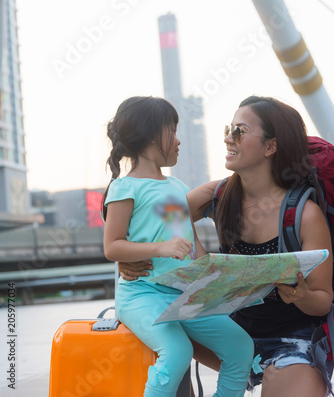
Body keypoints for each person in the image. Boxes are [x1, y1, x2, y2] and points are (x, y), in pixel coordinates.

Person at [119, 95, 333, 397]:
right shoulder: (218, 195)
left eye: (239, 132)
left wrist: (301, 294)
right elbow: (152, 222)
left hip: (292, 339)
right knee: (164, 330)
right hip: (235, 329)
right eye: (228, 129)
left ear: (270, 147)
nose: (227, 139)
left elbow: (323, 300)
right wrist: (129, 258)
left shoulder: (304, 215)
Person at [102, 96, 254, 397]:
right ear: (148, 135)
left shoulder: (177, 188)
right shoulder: (124, 188)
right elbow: (112, 247)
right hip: (142, 296)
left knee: (241, 347)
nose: (178, 139)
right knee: (177, 352)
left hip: (184, 294)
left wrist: (222, 272)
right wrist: (160, 249)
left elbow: (189, 244)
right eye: (171, 131)